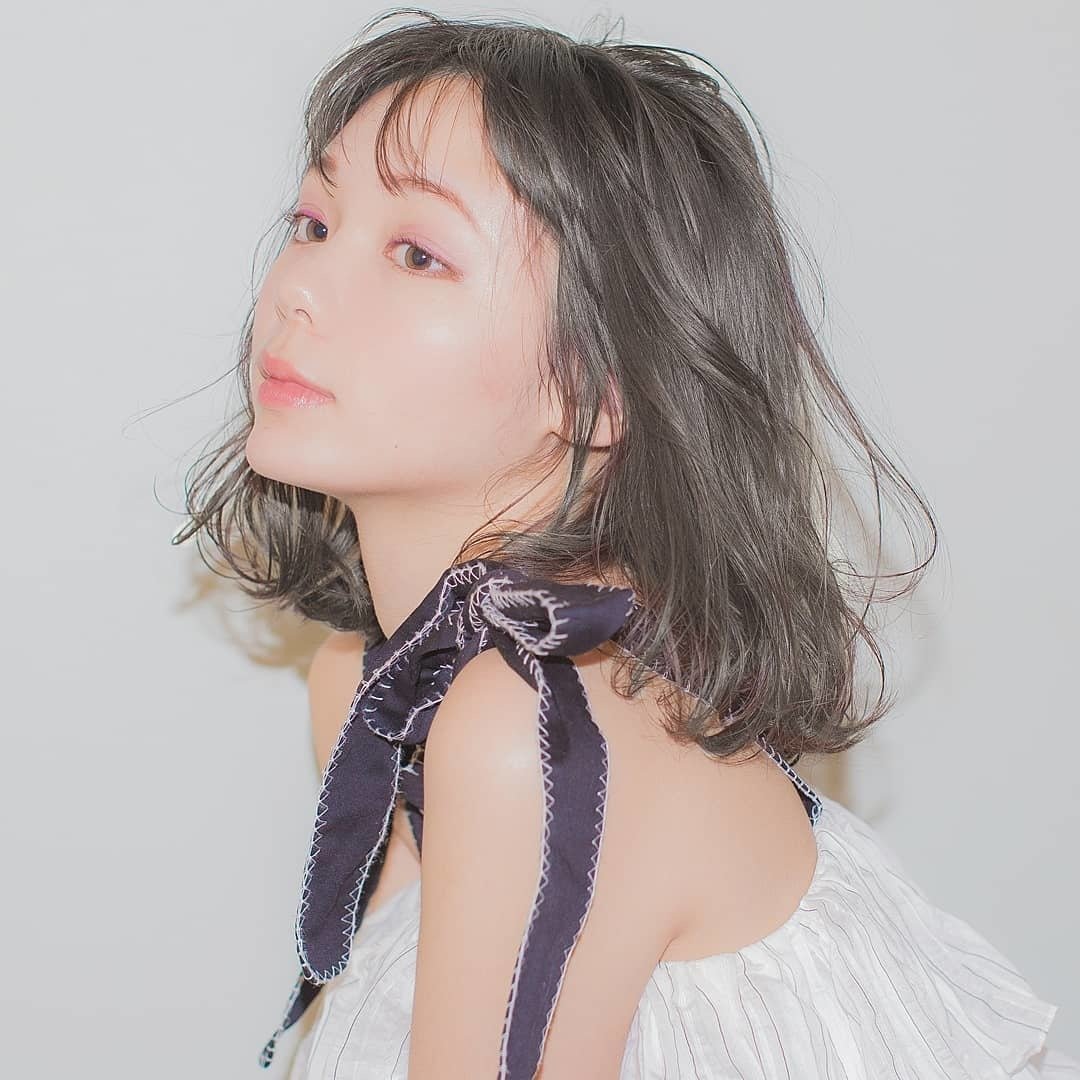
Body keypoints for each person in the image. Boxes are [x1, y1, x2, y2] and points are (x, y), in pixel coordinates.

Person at [175, 8, 1080, 1078]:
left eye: (418, 254)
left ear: (599, 389)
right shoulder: (370, 688)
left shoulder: (539, 732)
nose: (300, 290)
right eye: (315, 223)